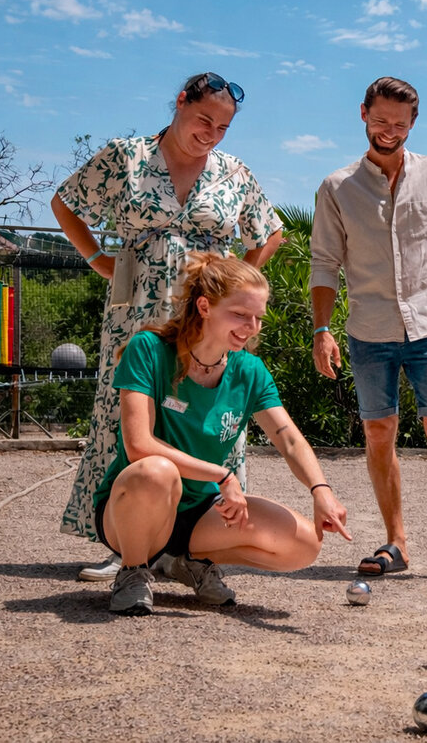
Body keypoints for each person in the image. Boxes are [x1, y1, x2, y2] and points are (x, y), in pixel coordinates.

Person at [52, 72, 284, 582]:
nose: (211, 133)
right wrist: (96, 258)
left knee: (209, 415)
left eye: (223, 127)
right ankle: (129, 541)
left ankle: (193, 545)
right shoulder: (126, 157)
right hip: (137, 309)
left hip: (207, 321)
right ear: (180, 102)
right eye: (204, 119)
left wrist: (238, 283)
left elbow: (270, 232)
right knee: (130, 415)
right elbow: (65, 203)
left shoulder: (232, 171)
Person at [309, 77, 427, 587]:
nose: (390, 131)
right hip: (369, 330)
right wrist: (322, 330)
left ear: (413, 124)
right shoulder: (337, 187)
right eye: (381, 120)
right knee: (379, 432)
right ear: (363, 114)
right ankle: (397, 542)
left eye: (400, 123)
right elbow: (324, 264)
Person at [97, 253, 350, 615]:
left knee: (305, 544)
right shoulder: (149, 350)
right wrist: (222, 475)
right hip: (136, 506)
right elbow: (139, 445)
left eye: (258, 318)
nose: (251, 326)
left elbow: (289, 438)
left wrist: (321, 491)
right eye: (240, 314)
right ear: (205, 306)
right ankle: (134, 569)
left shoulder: (250, 371)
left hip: (200, 513)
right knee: (157, 470)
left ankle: (186, 560)